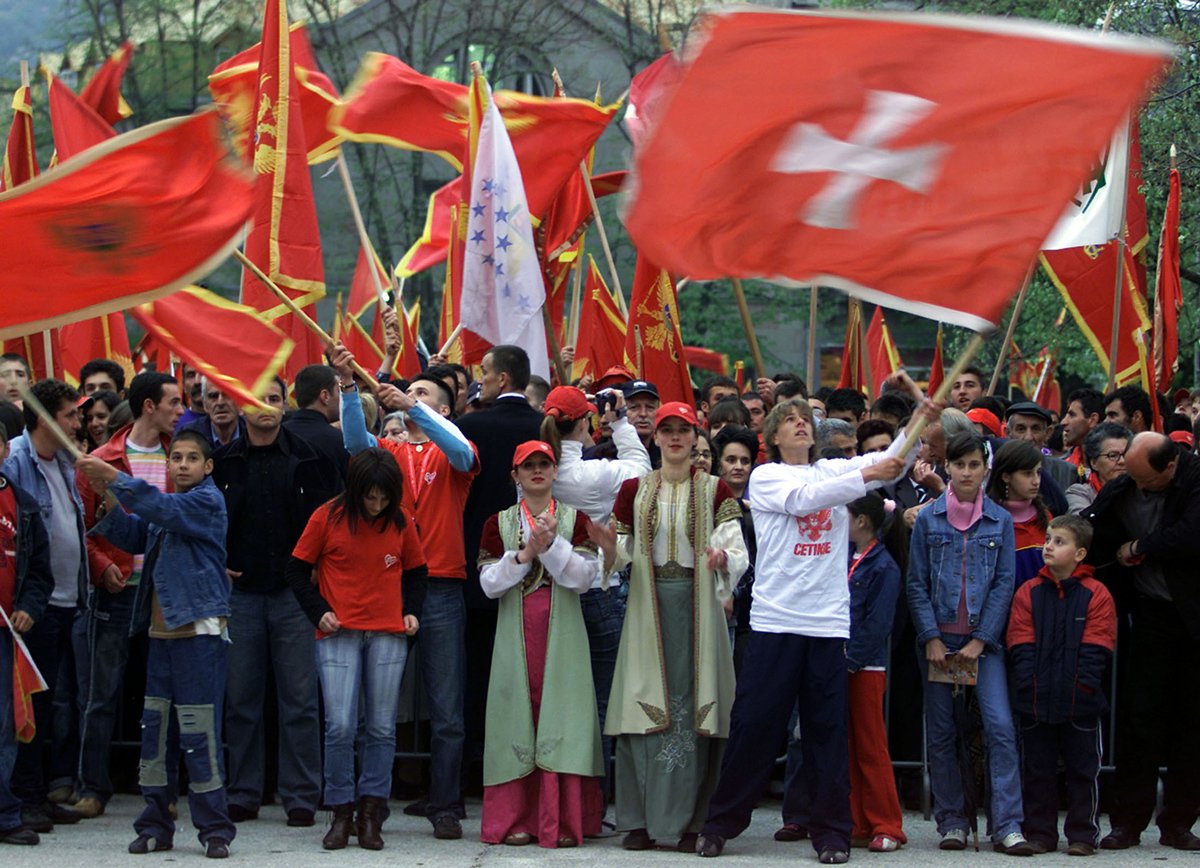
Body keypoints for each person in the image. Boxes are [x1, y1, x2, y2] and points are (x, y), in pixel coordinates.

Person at [698, 397, 934, 862]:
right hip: (775, 620)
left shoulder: (831, 472)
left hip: (826, 624)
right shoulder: (767, 477)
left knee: (827, 732)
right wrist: (865, 475)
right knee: (754, 726)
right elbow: (806, 500)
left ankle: (832, 833)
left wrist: (922, 417)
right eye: (789, 420)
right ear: (774, 436)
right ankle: (721, 823)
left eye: (804, 420)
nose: (800, 425)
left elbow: (892, 464)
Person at [332, 344, 478, 840]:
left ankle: (445, 803)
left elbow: (462, 451)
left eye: (423, 394)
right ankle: (366, 802)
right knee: (374, 706)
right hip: (389, 588)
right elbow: (354, 445)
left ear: (443, 409)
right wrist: (350, 387)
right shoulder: (390, 451)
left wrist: (410, 407)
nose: (409, 397)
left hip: (440, 588)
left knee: (446, 707)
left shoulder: (453, 451)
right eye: (408, 390)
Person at [593, 401, 746, 854]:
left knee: (696, 706)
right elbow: (620, 550)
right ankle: (637, 821)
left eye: (684, 430)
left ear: (696, 437)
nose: (676, 437)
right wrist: (606, 547)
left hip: (698, 608)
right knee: (642, 703)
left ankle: (694, 822)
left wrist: (723, 560)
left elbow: (733, 547)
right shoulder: (634, 490)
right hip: (648, 606)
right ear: (655, 438)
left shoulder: (716, 490)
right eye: (667, 430)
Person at [77, 430, 236, 859]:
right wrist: (107, 497)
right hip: (160, 635)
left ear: (208, 467)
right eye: (176, 458)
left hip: (198, 634)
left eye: (191, 458)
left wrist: (114, 479)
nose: (182, 464)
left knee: (199, 732)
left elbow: (162, 510)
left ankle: (214, 828)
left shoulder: (206, 502)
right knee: (155, 732)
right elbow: (132, 535)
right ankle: (154, 823)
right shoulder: (168, 508)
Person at [211, 377, 338, 828]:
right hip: (240, 595)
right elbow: (204, 520)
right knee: (241, 700)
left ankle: (302, 794)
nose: (265, 407)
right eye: (256, 399)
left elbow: (329, 524)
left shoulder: (308, 458)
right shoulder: (221, 462)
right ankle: (243, 792)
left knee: (300, 701)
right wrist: (216, 561)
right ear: (240, 407)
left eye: (273, 399)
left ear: (285, 407)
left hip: (294, 595)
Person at [286, 448, 427, 851]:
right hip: (339, 632)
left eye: (384, 498)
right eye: (370, 497)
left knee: (381, 728)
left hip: (387, 633)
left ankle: (371, 814)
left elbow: (418, 572)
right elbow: (295, 569)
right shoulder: (326, 516)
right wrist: (319, 612)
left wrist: (412, 612)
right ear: (355, 491)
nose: (377, 505)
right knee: (341, 726)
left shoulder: (401, 522)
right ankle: (340, 811)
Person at [906, 432, 1032, 856]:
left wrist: (982, 639)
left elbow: (1003, 583)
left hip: (985, 643)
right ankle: (952, 821)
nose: (965, 472)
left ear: (985, 468)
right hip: (939, 640)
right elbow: (917, 583)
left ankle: (1008, 824)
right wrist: (931, 637)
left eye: (974, 465)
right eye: (958, 465)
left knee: (999, 726)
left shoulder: (1000, 520)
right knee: (941, 732)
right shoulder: (928, 519)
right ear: (948, 468)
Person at [477, 440, 605, 848]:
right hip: (515, 631)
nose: (536, 471)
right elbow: (488, 585)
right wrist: (526, 553)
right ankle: (516, 817)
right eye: (527, 465)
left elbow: (583, 580)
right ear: (514, 475)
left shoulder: (574, 518)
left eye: (543, 464)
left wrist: (548, 549)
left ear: (554, 471)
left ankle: (563, 819)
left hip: (563, 631)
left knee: (563, 716)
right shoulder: (497, 523)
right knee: (516, 715)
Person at [1083, 432, 1200, 851]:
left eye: (1144, 480)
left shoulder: (1195, 478)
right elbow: (1094, 528)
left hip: (1193, 617)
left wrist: (1141, 546)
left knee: (1191, 723)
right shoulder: (1125, 485)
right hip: (1150, 615)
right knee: (1140, 719)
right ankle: (1127, 822)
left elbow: (1191, 534)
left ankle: (1179, 823)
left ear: (1169, 466)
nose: (1136, 486)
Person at [74, 372, 183, 820]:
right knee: (102, 696)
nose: (181, 409)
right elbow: (83, 527)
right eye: (174, 402)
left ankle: (165, 790)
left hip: (165, 595)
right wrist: (103, 567)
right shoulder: (103, 460)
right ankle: (92, 788)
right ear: (148, 407)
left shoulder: (182, 457)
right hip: (117, 594)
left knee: (164, 698)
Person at [538, 385, 650, 807]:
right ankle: (591, 801)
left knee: (556, 698)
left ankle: (560, 799)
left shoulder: (540, 469)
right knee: (601, 701)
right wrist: (619, 421)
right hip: (599, 592)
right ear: (585, 423)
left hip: (549, 593)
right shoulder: (592, 475)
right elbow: (640, 466)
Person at [1, 379, 88, 833]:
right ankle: (23, 799)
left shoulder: (67, 464)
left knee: (52, 703)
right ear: (45, 417)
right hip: (26, 610)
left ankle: (41, 794)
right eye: (71, 415)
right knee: (24, 709)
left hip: (63, 601)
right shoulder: (15, 461)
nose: (78, 423)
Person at [457, 346, 543, 792]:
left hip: (481, 567)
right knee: (530, 675)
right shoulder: (544, 426)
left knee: (478, 671)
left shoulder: (469, 426)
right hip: (541, 576)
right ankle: (529, 773)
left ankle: (476, 770)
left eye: (485, 372)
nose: (481, 379)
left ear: (504, 379)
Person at [1006, 514, 1116, 856]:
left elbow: (1098, 646)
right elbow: (1020, 642)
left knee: (1084, 771)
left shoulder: (1096, 593)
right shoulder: (1029, 591)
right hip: (1036, 699)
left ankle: (1083, 834)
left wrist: (1083, 686)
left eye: (1059, 542)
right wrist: (1027, 684)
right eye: (1048, 539)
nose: (1048, 547)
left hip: (1080, 702)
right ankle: (1040, 832)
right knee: (1037, 770)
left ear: (1080, 554)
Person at [0, 421, 53, 846]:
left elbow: (39, 573)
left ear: (5, 450)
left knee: (5, 726)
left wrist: (29, 608)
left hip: (6, 635)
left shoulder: (24, 503)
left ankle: (5, 814)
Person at [844, 493, 905, 853]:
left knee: (871, 746)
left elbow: (879, 624)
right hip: (843, 663)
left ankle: (888, 825)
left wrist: (851, 662)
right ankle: (858, 820)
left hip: (864, 666)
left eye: (845, 516)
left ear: (863, 521)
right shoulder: (848, 558)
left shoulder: (884, 566)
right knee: (848, 746)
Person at [711, 426, 757, 668]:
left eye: (745, 461)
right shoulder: (708, 505)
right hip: (719, 607)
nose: (738, 466)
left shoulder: (762, 509)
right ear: (719, 465)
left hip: (752, 612)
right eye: (731, 460)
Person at [987, 439, 1051, 590]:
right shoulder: (988, 518)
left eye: (1038, 472)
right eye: (1027, 473)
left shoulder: (1045, 517)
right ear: (1006, 476)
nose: (1036, 481)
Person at [282, 364, 349, 482]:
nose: (342, 398)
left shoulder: (279, 435)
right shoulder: (338, 440)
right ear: (325, 396)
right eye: (339, 391)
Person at [1065, 422, 1131, 514]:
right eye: (1112, 455)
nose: (1122, 461)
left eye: (1126, 454)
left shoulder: (1143, 490)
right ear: (1094, 463)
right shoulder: (1079, 493)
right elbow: (1082, 525)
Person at [180, 380, 245, 448]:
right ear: (205, 404)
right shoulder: (189, 434)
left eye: (227, 395)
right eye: (213, 396)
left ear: (239, 401)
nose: (220, 403)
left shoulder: (252, 433)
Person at [1061, 388, 1105, 468]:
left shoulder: (1118, 467)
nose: (1063, 422)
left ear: (1092, 420)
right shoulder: (1061, 468)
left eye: (1072, 415)